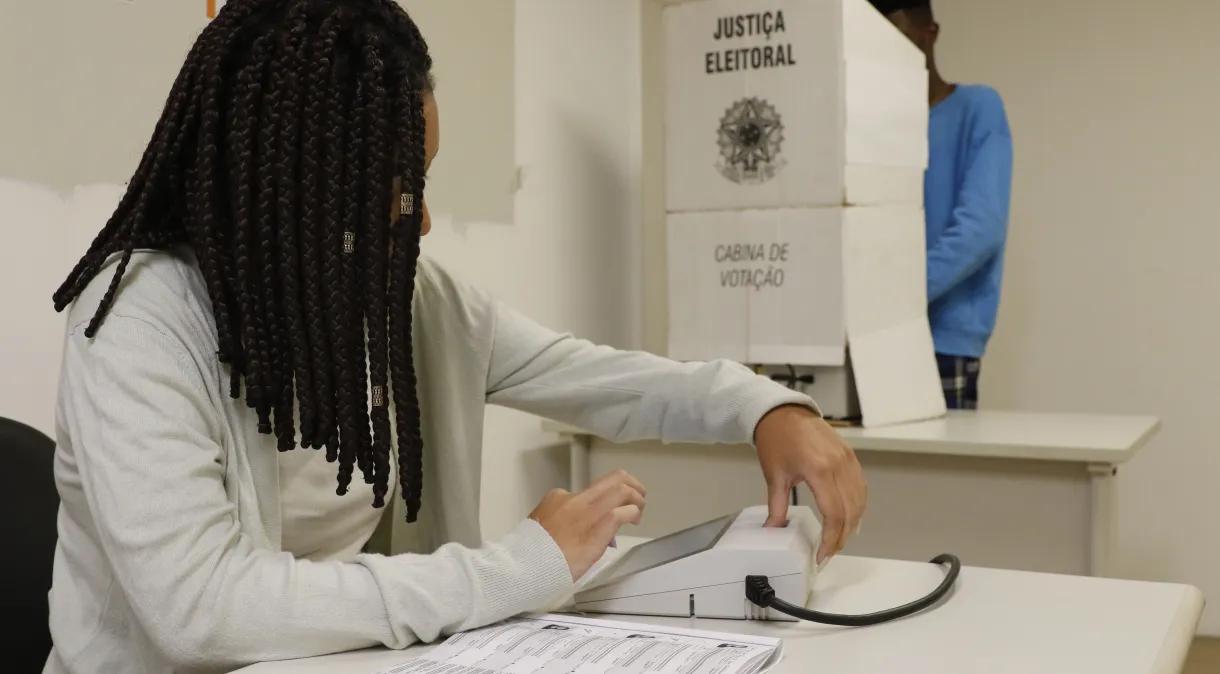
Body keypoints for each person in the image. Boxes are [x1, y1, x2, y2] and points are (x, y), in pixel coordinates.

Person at [43, 1, 867, 671]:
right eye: (400, 187)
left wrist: (764, 409)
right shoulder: (137, 321)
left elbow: (599, 376)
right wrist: (522, 563)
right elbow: (205, 612)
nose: (424, 217)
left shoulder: (402, 297)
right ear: (297, 185)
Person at [872, 0, 1014, 409]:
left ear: (928, 34)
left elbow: (981, 228)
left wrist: (893, 295)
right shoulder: (874, 127)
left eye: (893, 35)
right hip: (871, 337)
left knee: (934, 473)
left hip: (944, 338)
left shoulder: (977, 107)